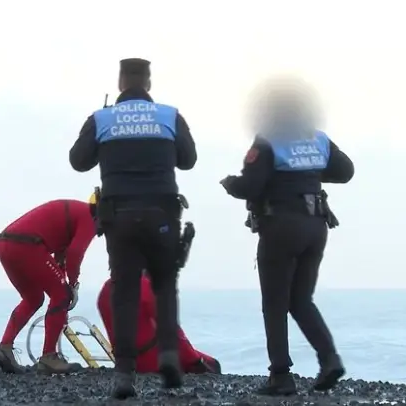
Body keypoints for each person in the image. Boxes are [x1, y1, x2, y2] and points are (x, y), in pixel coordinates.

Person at [69, 58, 197, 399]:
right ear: (149, 83)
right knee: (165, 284)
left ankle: (125, 374)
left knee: (124, 292)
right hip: (162, 214)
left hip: (119, 216)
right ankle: (169, 356)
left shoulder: (102, 118)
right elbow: (188, 159)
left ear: (122, 81)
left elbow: (78, 161)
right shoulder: (169, 116)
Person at [219, 76, 354, 396]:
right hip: (316, 227)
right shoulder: (318, 139)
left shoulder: (268, 140)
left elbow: (251, 186)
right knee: (301, 299)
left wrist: (229, 184)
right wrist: (311, 173)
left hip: (281, 226)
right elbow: (345, 171)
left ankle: (281, 376)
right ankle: (329, 359)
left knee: (275, 303)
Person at [0, 197, 97, 374]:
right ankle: (49, 357)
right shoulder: (90, 217)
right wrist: (73, 285)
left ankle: (4, 348)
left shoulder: (75, 215)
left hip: (6, 244)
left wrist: (64, 282)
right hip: (28, 245)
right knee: (62, 295)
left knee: (33, 298)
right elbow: (75, 253)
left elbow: (59, 260)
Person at [97, 273, 222, 375]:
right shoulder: (144, 286)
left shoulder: (105, 291)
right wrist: (195, 361)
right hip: (153, 363)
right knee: (213, 364)